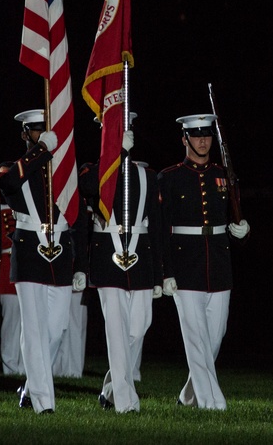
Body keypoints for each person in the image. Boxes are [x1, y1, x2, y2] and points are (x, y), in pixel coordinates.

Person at [158, 113, 251, 410]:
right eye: (196, 135)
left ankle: (188, 395)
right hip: (185, 266)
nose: (202, 140)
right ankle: (213, 402)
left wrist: (242, 232)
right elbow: (161, 230)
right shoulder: (170, 177)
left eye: (207, 135)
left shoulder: (223, 175)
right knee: (196, 337)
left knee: (215, 336)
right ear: (184, 139)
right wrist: (165, 271)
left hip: (219, 264)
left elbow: (234, 217)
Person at [0, 108, 83, 415]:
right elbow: (7, 185)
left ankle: (31, 386)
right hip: (29, 248)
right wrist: (41, 151)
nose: (41, 134)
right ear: (25, 134)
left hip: (59, 249)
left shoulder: (62, 171)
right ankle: (43, 402)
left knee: (57, 327)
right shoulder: (12, 166)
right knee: (33, 327)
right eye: (35, 131)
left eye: (45, 130)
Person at [76, 118, 163, 413]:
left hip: (140, 258)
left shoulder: (146, 175)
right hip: (107, 257)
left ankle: (111, 389)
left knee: (139, 326)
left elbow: (156, 225)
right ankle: (127, 403)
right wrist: (119, 155)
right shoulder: (93, 169)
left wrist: (160, 274)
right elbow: (88, 187)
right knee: (116, 330)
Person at [0, 199, 23, 376]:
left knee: (25, 324)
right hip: (8, 271)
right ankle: (10, 366)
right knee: (12, 324)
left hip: (24, 269)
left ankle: (23, 367)